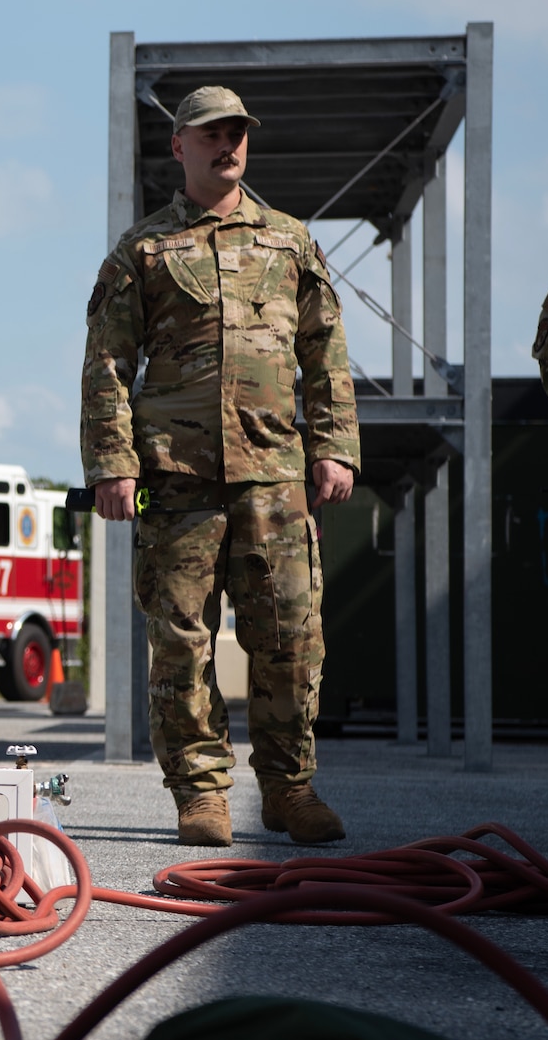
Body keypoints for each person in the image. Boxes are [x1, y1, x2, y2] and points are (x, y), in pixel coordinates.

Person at [81, 85, 359, 848]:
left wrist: (334, 444)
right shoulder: (143, 250)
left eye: (237, 133)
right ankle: (202, 793)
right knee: (180, 641)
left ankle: (287, 788)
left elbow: (325, 351)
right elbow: (107, 361)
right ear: (180, 146)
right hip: (178, 478)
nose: (226, 145)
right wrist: (114, 463)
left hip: (274, 472)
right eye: (210, 134)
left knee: (289, 637)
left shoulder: (290, 242)